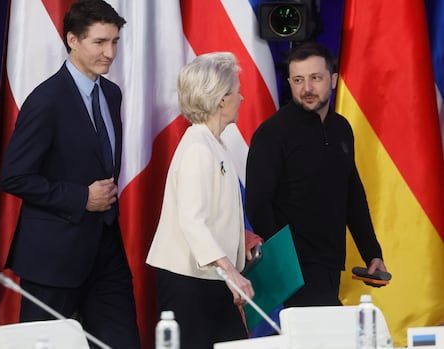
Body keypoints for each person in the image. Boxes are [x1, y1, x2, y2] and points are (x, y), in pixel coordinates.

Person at [0, 1, 139, 347]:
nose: (110, 53)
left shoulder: (111, 93)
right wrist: (82, 197)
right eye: (99, 42)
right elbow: (14, 176)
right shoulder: (46, 100)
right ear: (72, 40)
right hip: (54, 258)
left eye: (115, 42)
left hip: (106, 250)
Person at [245, 42, 387, 307]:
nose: (306, 88)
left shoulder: (342, 128)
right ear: (289, 81)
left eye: (315, 78)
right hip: (296, 269)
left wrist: (372, 254)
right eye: (298, 80)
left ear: (332, 80)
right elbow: (257, 204)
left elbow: (352, 195)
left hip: (332, 264)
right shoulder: (272, 133)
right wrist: (285, 264)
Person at [146, 52, 254, 349]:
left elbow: (208, 214)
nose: (242, 98)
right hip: (189, 283)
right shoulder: (198, 148)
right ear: (221, 99)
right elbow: (192, 220)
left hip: (210, 278)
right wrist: (231, 272)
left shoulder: (211, 143)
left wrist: (237, 239)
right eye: (236, 91)